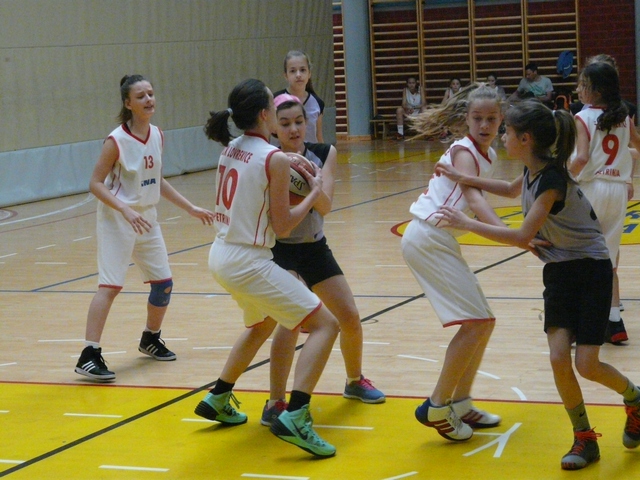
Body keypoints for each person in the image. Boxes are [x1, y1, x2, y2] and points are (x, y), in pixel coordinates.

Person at [435, 100, 640, 470]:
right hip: (559, 272)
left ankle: (635, 398)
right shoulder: (533, 170)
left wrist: (466, 223)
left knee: (587, 364)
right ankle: (584, 438)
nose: (502, 136)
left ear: (525, 139)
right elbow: (508, 189)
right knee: (559, 358)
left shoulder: (551, 181)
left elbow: (521, 237)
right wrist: (464, 178)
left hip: (591, 271)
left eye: (507, 131)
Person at [193, 79, 340, 458]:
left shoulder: (231, 148)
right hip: (248, 260)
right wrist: (313, 189)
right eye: (275, 108)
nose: (278, 112)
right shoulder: (273, 158)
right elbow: (285, 225)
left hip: (220, 254)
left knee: (262, 324)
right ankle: (297, 415)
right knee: (326, 325)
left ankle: (218, 396)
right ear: (264, 114)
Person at [74, 75, 215, 382]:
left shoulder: (157, 135)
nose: (149, 99)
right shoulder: (116, 141)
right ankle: (88, 354)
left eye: (151, 94)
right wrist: (124, 208)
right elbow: (95, 183)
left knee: (163, 284)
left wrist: (190, 208)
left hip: (147, 217)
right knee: (110, 287)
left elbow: (156, 179)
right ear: (128, 103)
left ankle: (150, 338)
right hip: (117, 218)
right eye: (141, 96)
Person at [259, 93, 385, 426]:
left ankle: (354, 380)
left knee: (350, 316)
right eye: (285, 123)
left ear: (308, 122)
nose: (294, 129)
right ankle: (275, 402)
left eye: (299, 122)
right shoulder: (269, 158)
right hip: (280, 250)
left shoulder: (324, 152)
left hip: (314, 247)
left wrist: (308, 180)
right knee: (290, 322)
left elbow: (326, 206)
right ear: (274, 127)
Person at [401, 83, 505, 442]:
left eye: (491, 118)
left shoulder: (487, 154)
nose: (484, 125)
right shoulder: (464, 152)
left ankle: (460, 402)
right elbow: (475, 201)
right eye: (478, 118)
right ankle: (437, 405)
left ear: (501, 119)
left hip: (436, 239)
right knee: (475, 324)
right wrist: (511, 234)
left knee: (484, 323)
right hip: (427, 237)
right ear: (466, 119)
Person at [570, 61, 640, 345]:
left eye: (583, 85)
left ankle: (578, 323)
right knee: (607, 261)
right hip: (618, 191)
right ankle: (614, 322)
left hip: (591, 189)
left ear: (595, 90)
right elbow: (637, 146)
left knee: (579, 258)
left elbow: (582, 158)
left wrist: (563, 178)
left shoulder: (583, 117)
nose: (578, 90)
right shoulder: (624, 116)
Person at [273, 50, 324, 143]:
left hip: (309, 152)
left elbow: (318, 136)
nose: (298, 75)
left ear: (309, 73)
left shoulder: (318, 102)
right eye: (293, 71)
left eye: (302, 70)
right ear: (286, 75)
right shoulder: (275, 101)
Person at [395, 76, 425, 140]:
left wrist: (414, 108)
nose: (411, 85)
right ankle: (400, 133)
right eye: (410, 83)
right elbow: (403, 104)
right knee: (399, 110)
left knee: (424, 108)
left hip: (418, 111)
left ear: (416, 83)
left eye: (413, 83)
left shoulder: (420, 89)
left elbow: (424, 103)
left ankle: (425, 133)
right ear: (407, 84)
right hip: (409, 112)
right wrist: (407, 109)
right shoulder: (405, 90)